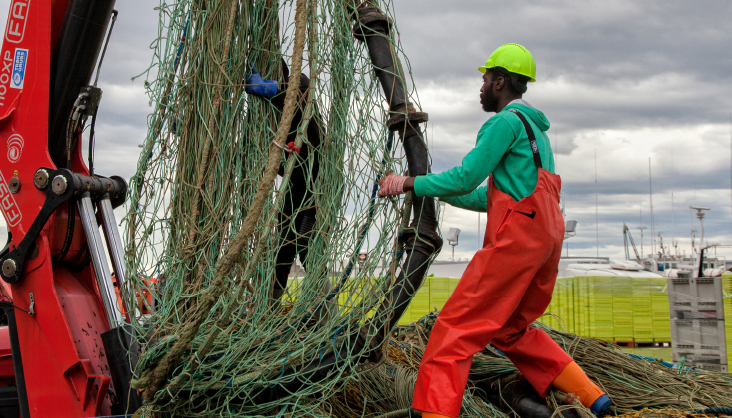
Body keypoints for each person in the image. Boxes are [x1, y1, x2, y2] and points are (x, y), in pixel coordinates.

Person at [378, 44, 613, 418]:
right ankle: (593, 398)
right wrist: (443, 194)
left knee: (453, 330)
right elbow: (489, 195)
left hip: (518, 240)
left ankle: (436, 414)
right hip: (547, 241)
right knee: (511, 330)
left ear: (500, 81)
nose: (482, 86)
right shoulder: (537, 132)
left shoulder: (502, 123)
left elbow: (467, 175)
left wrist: (408, 183)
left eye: (485, 79)